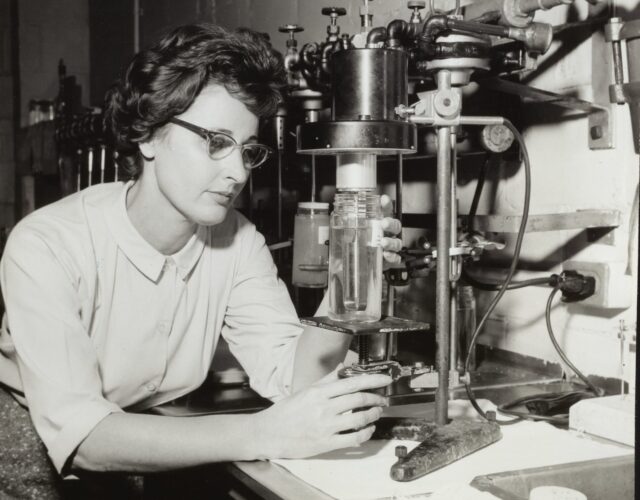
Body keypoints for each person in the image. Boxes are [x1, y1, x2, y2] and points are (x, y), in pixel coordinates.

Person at [0, 23, 404, 498]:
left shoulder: (237, 241)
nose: (236, 172)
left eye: (247, 150)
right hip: (24, 445)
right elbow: (86, 438)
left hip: (143, 434)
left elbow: (294, 378)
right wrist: (264, 432)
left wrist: (346, 279)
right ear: (148, 136)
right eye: (214, 141)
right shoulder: (47, 244)